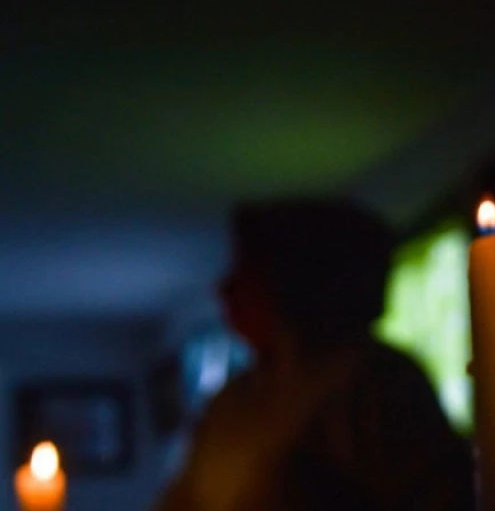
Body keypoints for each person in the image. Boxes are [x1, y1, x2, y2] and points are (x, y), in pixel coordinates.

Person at [152, 198, 475, 511]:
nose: (224, 288)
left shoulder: (374, 383)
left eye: (247, 270)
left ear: (295, 277)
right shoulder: (233, 401)